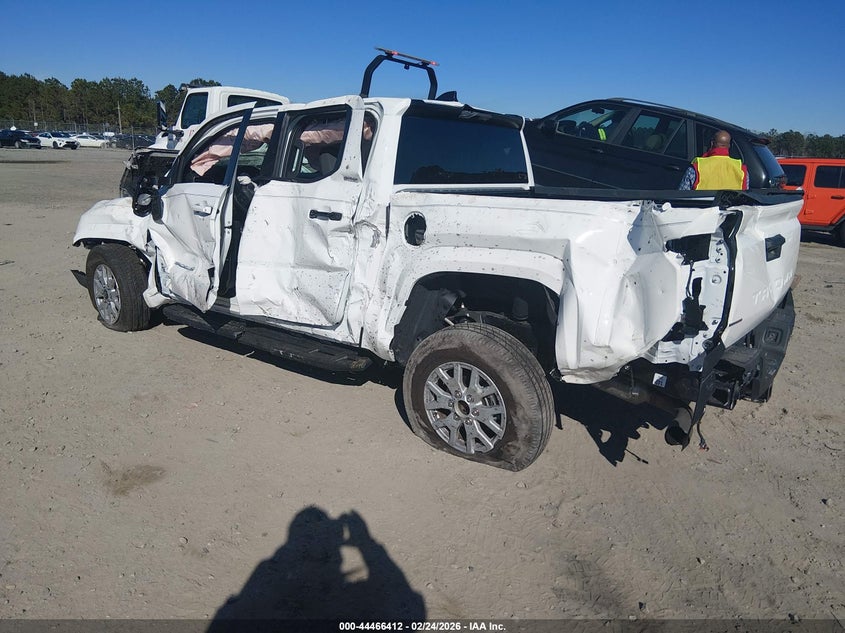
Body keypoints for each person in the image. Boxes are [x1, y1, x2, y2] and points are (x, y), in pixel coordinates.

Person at [679, 129, 748, 190]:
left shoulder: (696, 167)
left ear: (712, 143)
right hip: (730, 204)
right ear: (729, 146)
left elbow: (681, 196)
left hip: (702, 205)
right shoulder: (741, 169)